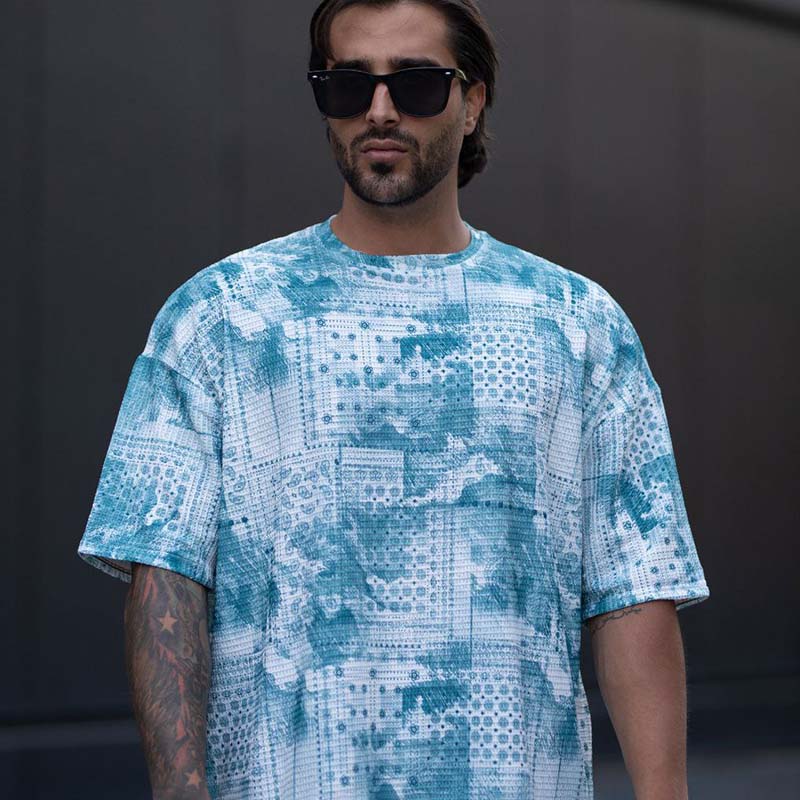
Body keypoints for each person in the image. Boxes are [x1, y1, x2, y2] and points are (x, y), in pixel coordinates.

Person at [77, 1, 710, 798]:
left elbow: (634, 590)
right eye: (348, 85)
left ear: (472, 101)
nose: (379, 110)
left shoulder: (578, 326)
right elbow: (165, 576)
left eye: (415, 83)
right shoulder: (221, 317)